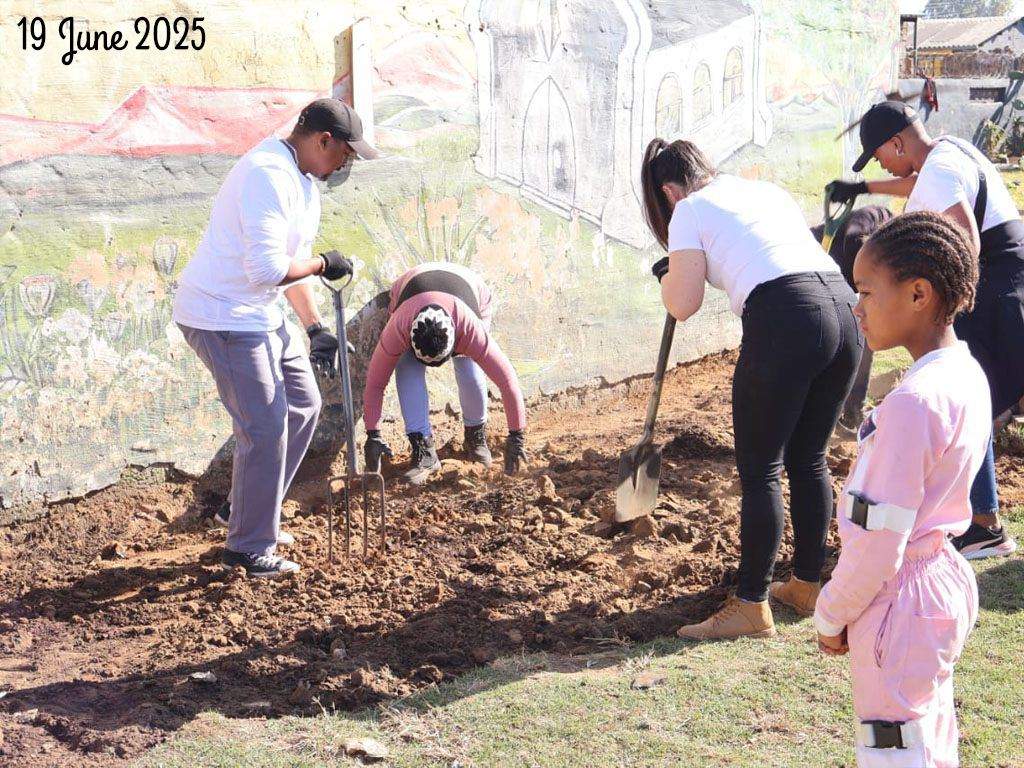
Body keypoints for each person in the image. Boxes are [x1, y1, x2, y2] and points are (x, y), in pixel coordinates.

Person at [640, 139, 862, 641]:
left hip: (787, 317)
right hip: (843, 310)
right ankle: (807, 584)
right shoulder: (764, 191)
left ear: (669, 191)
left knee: (761, 469)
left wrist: (668, 274)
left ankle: (751, 605)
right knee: (809, 458)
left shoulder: (688, 209)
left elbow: (682, 304)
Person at [172, 98, 377, 577]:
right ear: (322, 140)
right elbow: (267, 270)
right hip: (222, 314)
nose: (345, 164)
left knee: (303, 405)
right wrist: (323, 264)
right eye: (345, 153)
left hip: (259, 312)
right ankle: (247, 548)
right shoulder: (267, 174)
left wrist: (315, 328)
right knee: (264, 426)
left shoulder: (304, 181)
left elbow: (290, 263)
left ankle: (243, 511)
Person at [814, 211, 987, 768]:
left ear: (917, 294)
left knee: (893, 745)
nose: (856, 307)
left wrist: (831, 612)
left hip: (901, 600)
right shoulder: (963, 373)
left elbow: (879, 542)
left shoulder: (914, 403)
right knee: (927, 733)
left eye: (866, 291)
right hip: (938, 583)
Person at [828, 100, 1021, 560]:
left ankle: (984, 526)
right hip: (1008, 275)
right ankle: (982, 521)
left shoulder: (936, 175)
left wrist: (942, 310)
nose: (880, 165)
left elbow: (965, 242)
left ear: (898, 142)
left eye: (879, 156)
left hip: (991, 288)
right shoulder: (948, 151)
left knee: (969, 402)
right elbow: (918, 183)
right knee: (979, 398)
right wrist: (863, 187)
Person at [361, 261, 528, 484]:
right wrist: (372, 434)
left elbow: (507, 381)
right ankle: (423, 450)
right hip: (410, 288)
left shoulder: (470, 329)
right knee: (407, 366)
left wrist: (517, 437)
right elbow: (375, 383)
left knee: (469, 366)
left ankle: (476, 436)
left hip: (471, 291)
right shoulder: (399, 326)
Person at [811, 205, 894, 429]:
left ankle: (853, 409)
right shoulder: (863, 234)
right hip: (814, 271)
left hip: (843, 272)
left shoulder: (887, 237)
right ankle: (824, 410)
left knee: (864, 333)